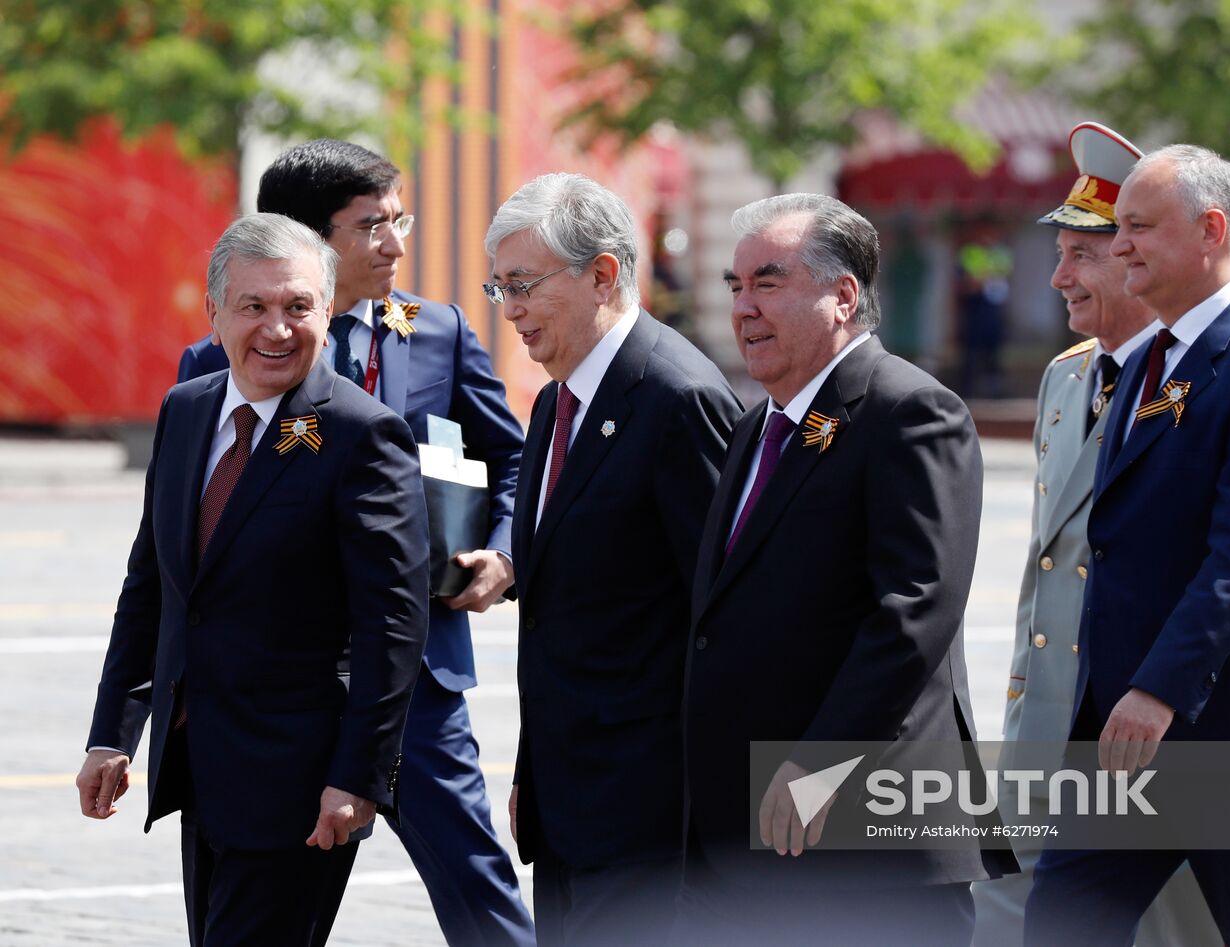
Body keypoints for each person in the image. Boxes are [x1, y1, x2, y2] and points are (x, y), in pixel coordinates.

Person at [176, 140, 533, 946]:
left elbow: (513, 457)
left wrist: (504, 553)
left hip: (415, 686)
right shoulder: (214, 363)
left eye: (398, 221)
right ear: (305, 237)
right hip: (276, 702)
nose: (396, 245)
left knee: (482, 893)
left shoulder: (434, 330)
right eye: (373, 225)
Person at [1024, 145, 1230, 946]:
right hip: (1126, 730)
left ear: (1211, 230)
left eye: (1138, 227)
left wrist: (1158, 689)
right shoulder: (1152, 358)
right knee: (1061, 921)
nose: (1123, 244)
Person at [76, 213, 429, 946]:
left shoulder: (361, 435)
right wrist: (113, 732)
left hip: (300, 788)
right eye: (254, 307)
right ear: (214, 313)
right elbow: (153, 584)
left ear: (327, 312)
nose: (277, 328)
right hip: (201, 770)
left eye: (298, 306)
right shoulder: (187, 410)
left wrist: (360, 776)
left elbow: (391, 625)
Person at [678, 193, 1015, 945]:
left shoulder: (909, 410)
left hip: (865, 830)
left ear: (843, 295)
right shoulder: (759, 422)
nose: (744, 309)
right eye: (736, 287)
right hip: (746, 832)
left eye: (768, 282)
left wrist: (820, 763)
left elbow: (915, 610)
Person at [972, 123, 1220, 947]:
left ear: (1134, 257)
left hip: (1141, 742)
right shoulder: (1065, 376)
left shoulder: (1200, 381)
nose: (1059, 276)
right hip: (1048, 732)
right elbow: (1049, 569)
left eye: (1083, 252)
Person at [485, 173, 742, 945]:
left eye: (524, 285)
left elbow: (722, 615)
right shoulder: (553, 400)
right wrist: (538, 766)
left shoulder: (675, 397)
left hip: (649, 811)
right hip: (571, 800)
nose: (512, 310)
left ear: (602, 273)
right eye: (499, 288)